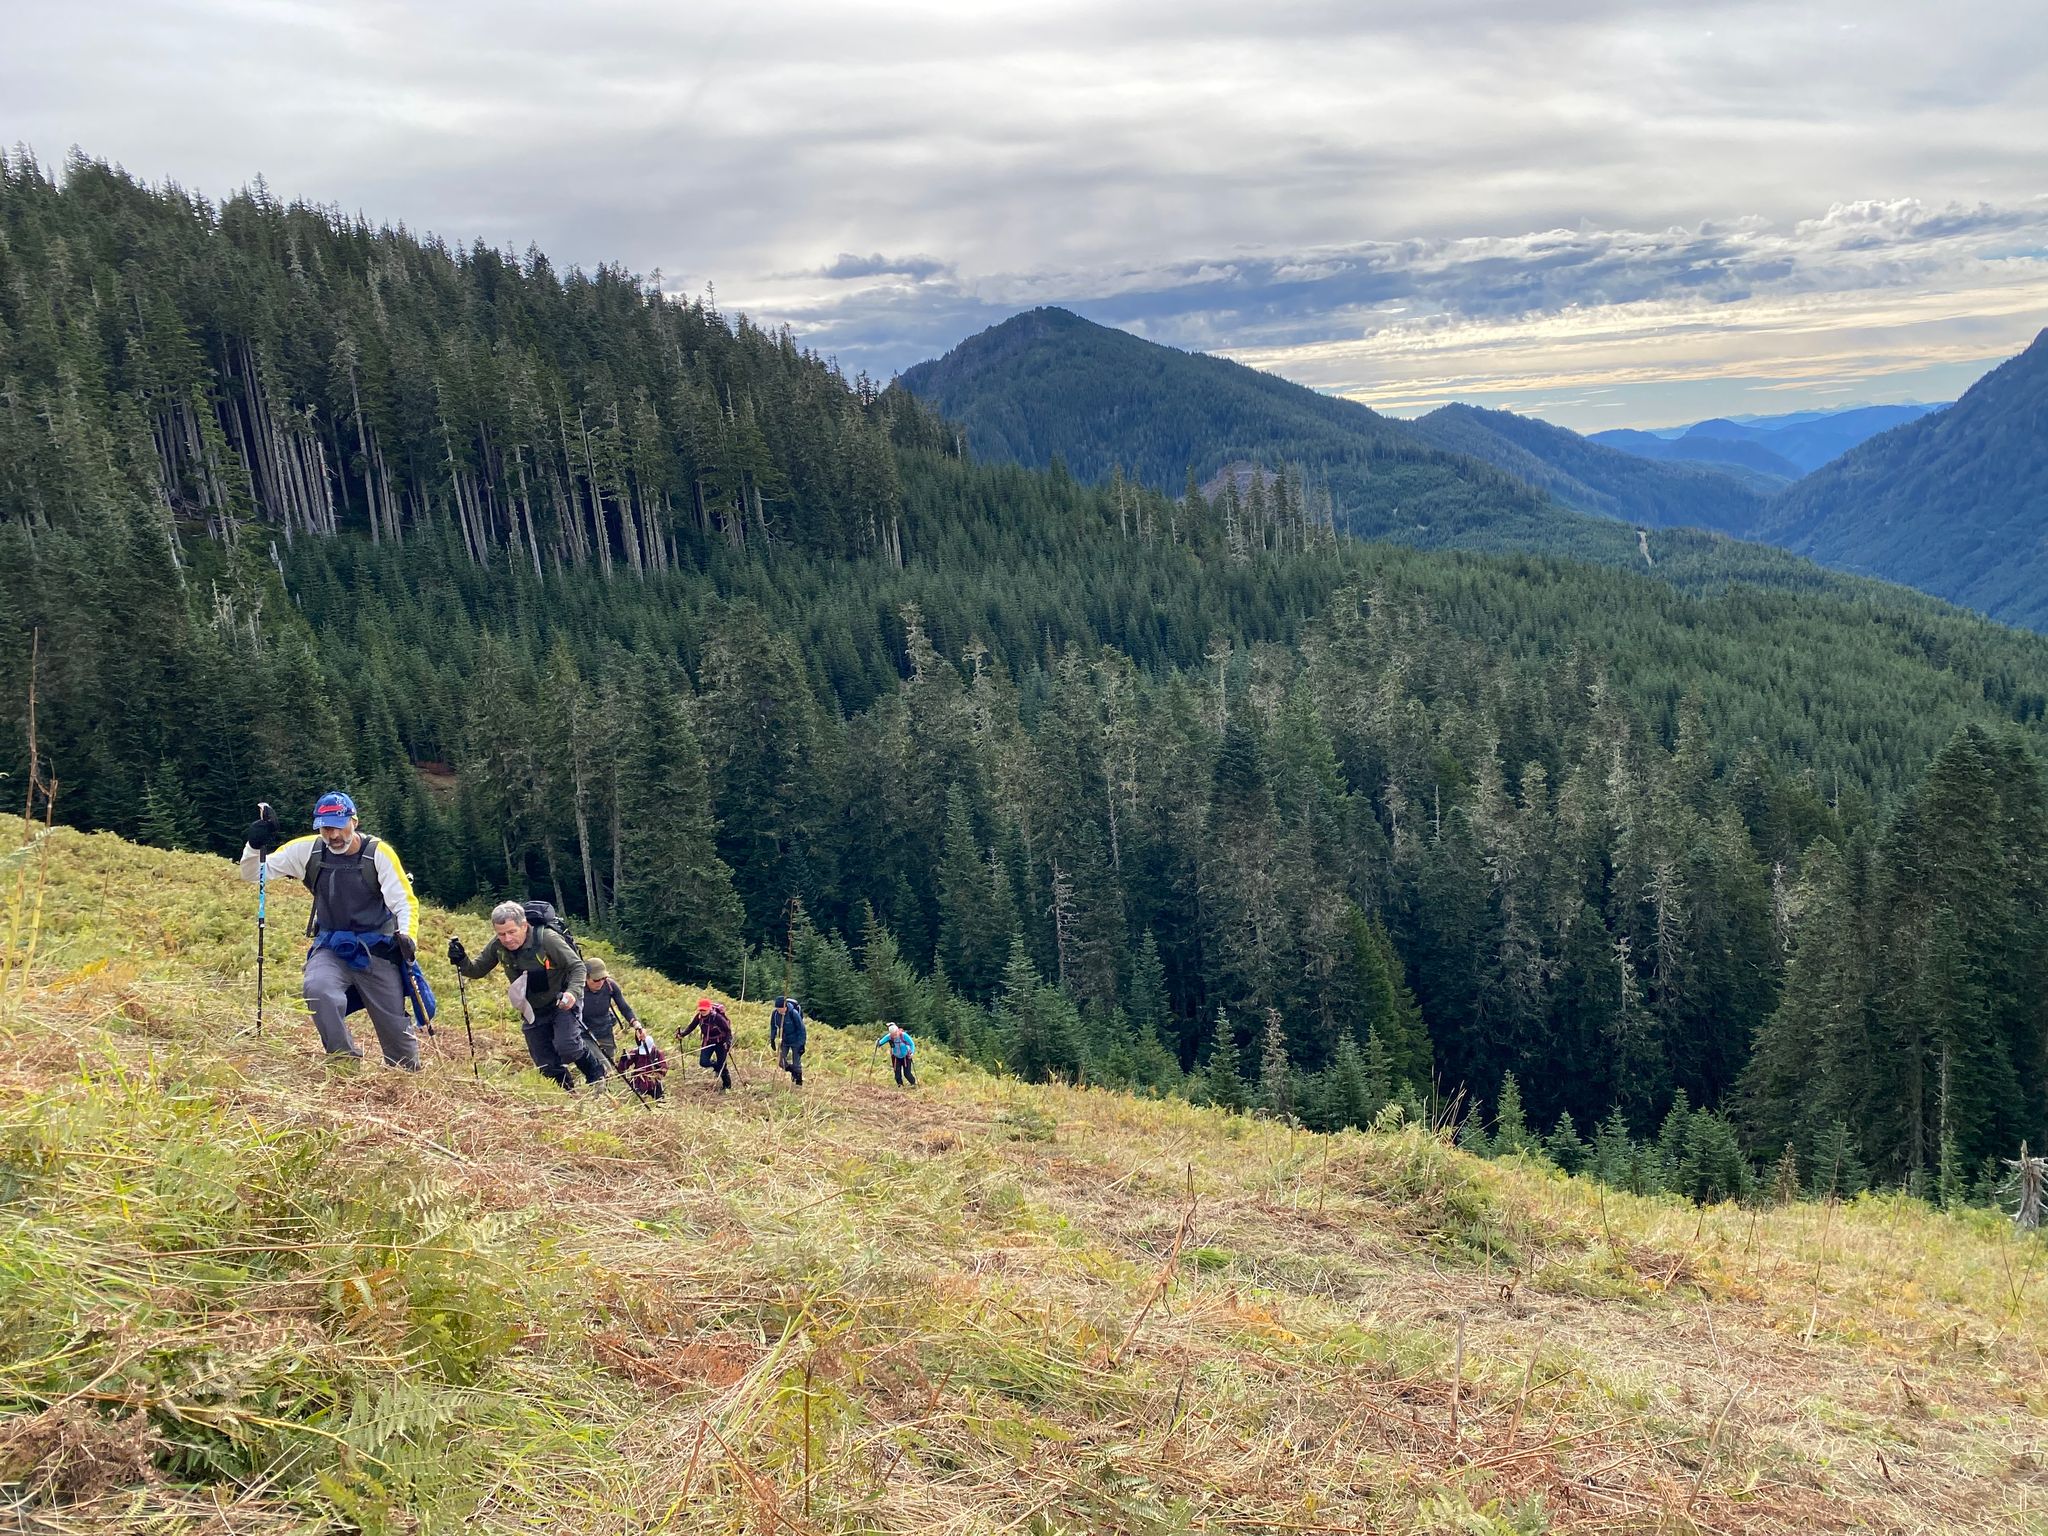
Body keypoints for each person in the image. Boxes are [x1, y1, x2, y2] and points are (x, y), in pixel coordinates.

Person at [240, 792, 421, 1070]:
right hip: (331, 946)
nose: (333, 835)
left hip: (378, 950)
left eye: (338, 826)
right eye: (325, 828)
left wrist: (407, 936)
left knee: (397, 1038)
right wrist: (254, 845)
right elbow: (254, 874)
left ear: (354, 822)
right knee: (317, 988)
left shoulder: (378, 853)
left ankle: (404, 1075)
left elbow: (404, 902)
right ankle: (343, 1062)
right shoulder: (308, 851)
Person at [448, 902, 608, 1091]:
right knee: (544, 1061)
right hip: (532, 1007)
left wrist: (572, 993)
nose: (507, 939)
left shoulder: (547, 939)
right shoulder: (497, 945)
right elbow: (476, 970)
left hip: (561, 1000)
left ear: (524, 925)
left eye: (512, 932)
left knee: (568, 1046)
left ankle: (597, 1075)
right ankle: (567, 1094)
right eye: (501, 934)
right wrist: (461, 959)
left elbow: (578, 967)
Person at [579, 957, 637, 1062]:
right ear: (586, 977)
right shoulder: (578, 989)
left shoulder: (610, 986)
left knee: (610, 1061)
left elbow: (624, 1008)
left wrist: (636, 1024)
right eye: (596, 979)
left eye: (604, 978)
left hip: (605, 1030)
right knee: (603, 1065)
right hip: (585, 1033)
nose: (601, 982)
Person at [675, 997, 734, 1090]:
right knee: (703, 1062)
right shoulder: (699, 1017)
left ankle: (727, 1087)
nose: (702, 1012)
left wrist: (728, 1042)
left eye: (704, 1010)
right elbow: (691, 1027)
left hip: (721, 1043)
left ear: (709, 1008)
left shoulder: (717, 1017)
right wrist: (682, 1034)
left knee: (722, 1065)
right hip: (708, 1041)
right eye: (701, 1010)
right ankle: (716, 1066)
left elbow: (728, 1031)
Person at [618, 1022, 668, 1100]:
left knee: (660, 1099)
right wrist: (623, 1060)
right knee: (636, 1099)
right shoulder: (635, 1052)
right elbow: (622, 1068)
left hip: (653, 1083)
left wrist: (657, 1067)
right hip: (638, 1082)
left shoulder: (658, 1053)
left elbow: (664, 1069)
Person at [769, 995, 806, 1086]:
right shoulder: (775, 1014)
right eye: (777, 1009)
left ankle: (798, 1083)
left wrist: (802, 1044)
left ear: (785, 1007)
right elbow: (773, 1027)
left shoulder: (793, 1013)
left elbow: (801, 1029)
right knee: (781, 1062)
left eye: (780, 1009)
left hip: (796, 1041)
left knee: (796, 1063)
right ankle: (793, 1071)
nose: (779, 1011)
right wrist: (772, 1039)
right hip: (784, 1040)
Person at [876, 1021, 917, 1087]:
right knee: (897, 1073)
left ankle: (913, 1084)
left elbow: (912, 1044)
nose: (894, 1036)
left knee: (907, 1073)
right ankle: (900, 1085)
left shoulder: (904, 1035)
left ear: (898, 1031)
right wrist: (878, 1043)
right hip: (896, 1057)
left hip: (906, 1056)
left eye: (895, 1034)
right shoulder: (889, 1037)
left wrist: (912, 1052)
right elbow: (880, 1043)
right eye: (893, 1035)